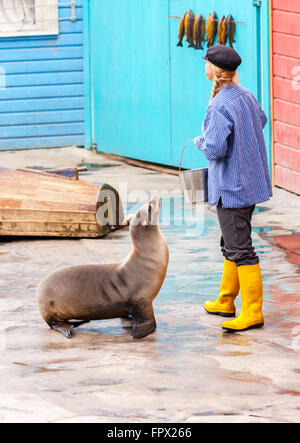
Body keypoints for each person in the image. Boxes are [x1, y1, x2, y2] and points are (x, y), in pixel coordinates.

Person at [194, 45, 273, 333]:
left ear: (214, 71)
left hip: (231, 188)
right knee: (231, 243)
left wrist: (199, 142)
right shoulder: (246, 95)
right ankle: (226, 301)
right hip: (248, 183)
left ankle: (253, 312)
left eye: (205, 64)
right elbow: (261, 120)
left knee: (241, 249)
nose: (203, 67)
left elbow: (213, 149)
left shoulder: (218, 104)